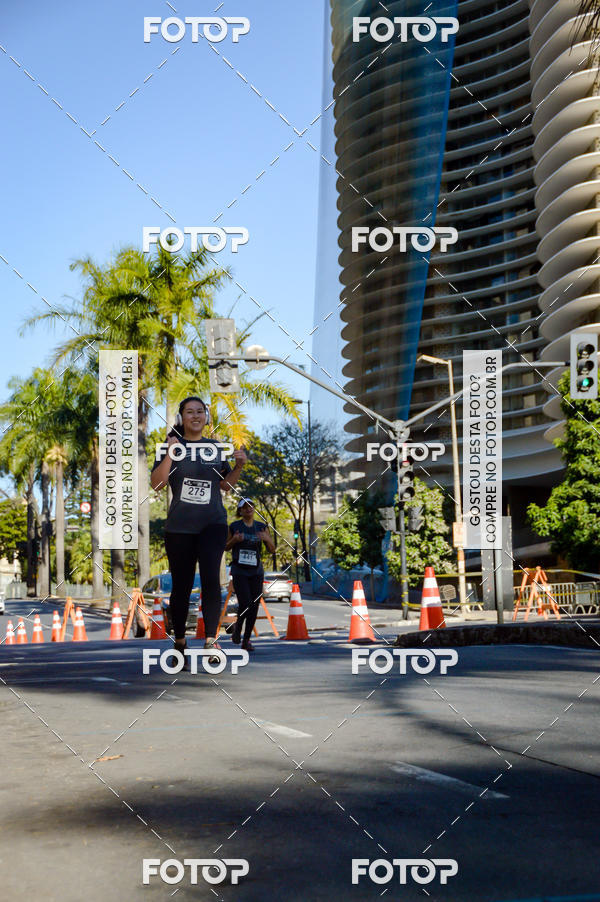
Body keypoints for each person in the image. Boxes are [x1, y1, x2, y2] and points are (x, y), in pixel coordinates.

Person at [150, 396, 246, 665]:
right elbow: (157, 485)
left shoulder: (215, 448)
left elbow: (226, 486)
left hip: (212, 524)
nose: (195, 416)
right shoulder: (170, 447)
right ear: (181, 418)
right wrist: (170, 452)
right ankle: (180, 641)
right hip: (179, 527)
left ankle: (210, 641)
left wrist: (238, 466)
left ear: (206, 417)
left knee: (211, 582)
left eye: (200, 412)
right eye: (189, 412)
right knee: (180, 586)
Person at [225, 498, 275, 651]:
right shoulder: (234, 526)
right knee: (246, 603)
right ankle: (238, 627)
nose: (248, 509)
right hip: (240, 571)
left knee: (254, 606)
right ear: (240, 511)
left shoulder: (261, 527)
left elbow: (272, 549)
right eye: (245, 507)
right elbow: (225, 547)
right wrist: (234, 540)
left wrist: (266, 539)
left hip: (256, 571)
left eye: (251, 507)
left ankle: (246, 640)